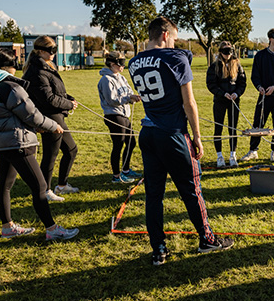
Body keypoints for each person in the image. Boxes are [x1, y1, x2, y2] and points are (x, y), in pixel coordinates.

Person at [128, 17, 233, 266]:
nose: (175, 42)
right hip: (172, 133)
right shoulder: (175, 58)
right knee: (191, 189)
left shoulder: (133, 62)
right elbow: (189, 103)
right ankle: (207, 239)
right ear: (165, 35)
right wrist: (197, 136)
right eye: (174, 37)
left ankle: (158, 248)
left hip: (149, 132)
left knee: (154, 194)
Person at [0, 47, 79, 241]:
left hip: (1, 143)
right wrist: (53, 125)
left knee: (5, 186)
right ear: (8, 66)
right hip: (18, 144)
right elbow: (32, 115)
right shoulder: (11, 87)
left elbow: (8, 115)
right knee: (40, 186)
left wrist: (37, 127)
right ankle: (52, 229)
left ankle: (8, 227)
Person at [22, 36, 79, 202]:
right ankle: (45, 190)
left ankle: (61, 185)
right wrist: (68, 104)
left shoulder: (47, 66)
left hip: (56, 114)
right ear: (40, 51)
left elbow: (56, 91)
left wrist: (70, 99)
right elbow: (48, 99)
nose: (53, 53)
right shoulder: (37, 71)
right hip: (49, 117)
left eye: (55, 50)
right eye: (50, 50)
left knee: (71, 150)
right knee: (50, 154)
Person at [240, 28, 274, 162]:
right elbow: (255, 75)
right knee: (258, 123)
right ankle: (253, 151)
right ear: (269, 38)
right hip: (263, 96)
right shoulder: (260, 56)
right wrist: (259, 87)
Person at [97, 51, 142, 183]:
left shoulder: (121, 77)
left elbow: (128, 91)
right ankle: (116, 176)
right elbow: (112, 99)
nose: (122, 67)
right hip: (114, 115)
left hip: (124, 115)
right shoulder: (106, 80)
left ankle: (126, 170)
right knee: (118, 144)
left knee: (131, 143)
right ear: (111, 64)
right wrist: (128, 98)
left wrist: (133, 96)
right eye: (119, 64)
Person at [206, 41, 247, 167]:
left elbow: (242, 82)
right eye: (224, 52)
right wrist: (222, 93)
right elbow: (211, 84)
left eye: (229, 51)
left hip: (234, 100)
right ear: (220, 52)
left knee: (233, 128)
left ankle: (232, 155)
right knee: (218, 128)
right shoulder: (214, 66)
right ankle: (219, 156)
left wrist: (237, 93)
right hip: (220, 100)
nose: (227, 54)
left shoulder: (237, 65)